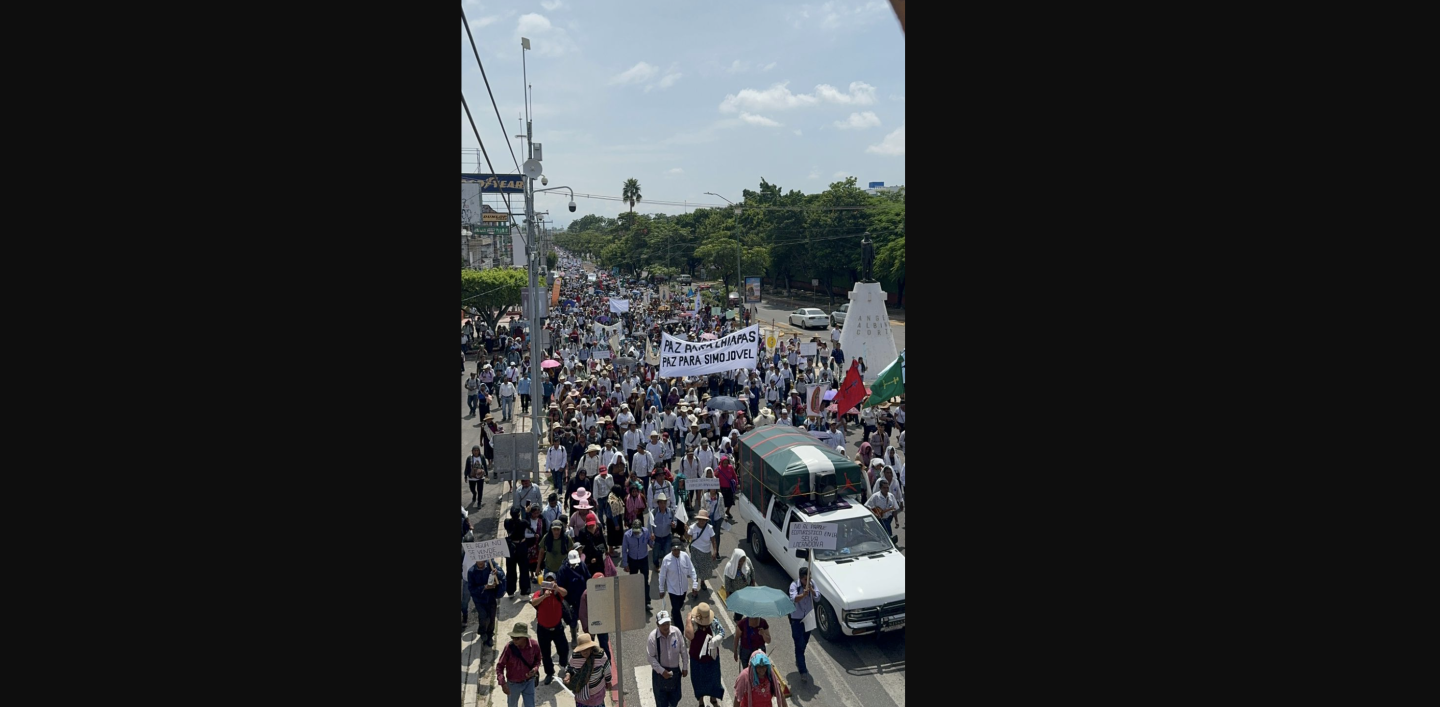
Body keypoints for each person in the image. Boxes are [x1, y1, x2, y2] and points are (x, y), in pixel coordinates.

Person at [530, 573, 570, 685]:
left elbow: (565, 593)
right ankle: (549, 672)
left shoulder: (557, 594)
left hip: (557, 628)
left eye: (551, 581)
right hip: (543, 630)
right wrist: (544, 596)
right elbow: (533, 602)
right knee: (545, 653)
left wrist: (556, 588)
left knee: (564, 648)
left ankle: (563, 664)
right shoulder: (539, 594)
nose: (549, 584)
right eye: (547, 582)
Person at [685, 602, 726, 707]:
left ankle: (713, 698)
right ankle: (701, 701)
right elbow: (689, 635)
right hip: (696, 659)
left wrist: (716, 639)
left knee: (714, 680)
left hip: (711, 658)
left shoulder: (714, 621)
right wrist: (688, 620)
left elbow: (722, 631)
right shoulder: (693, 622)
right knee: (698, 681)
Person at [647, 611, 690, 707]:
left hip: (675, 672)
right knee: (661, 702)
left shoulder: (676, 632)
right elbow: (650, 657)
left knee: (676, 697)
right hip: (660, 675)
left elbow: (683, 650)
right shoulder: (652, 638)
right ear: (657, 624)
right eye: (663, 624)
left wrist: (685, 666)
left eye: (667, 623)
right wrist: (662, 671)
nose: (666, 627)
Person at [497, 623, 542, 707]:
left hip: (529, 682)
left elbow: (538, 660)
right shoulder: (509, 648)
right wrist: (503, 683)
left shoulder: (534, 645)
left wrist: (535, 669)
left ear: (525, 637)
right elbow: (500, 666)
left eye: (517, 638)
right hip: (513, 684)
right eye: (512, 637)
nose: (514, 640)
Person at [563, 632, 614, 707]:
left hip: (597, 693)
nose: (585, 651)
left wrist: (608, 681)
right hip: (581, 694)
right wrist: (568, 675)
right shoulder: (575, 656)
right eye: (582, 649)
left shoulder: (600, 655)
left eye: (587, 648)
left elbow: (607, 669)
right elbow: (569, 668)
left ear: (591, 647)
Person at [787, 566, 820, 682]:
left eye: (809, 578)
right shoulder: (794, 585)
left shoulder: (812, 583)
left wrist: (811, 590)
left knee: (804, 643)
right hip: (797, 620)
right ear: (801, 579)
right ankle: (803, 670)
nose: (808, 581)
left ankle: (799, 658)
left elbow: (818, 597)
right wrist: (803, 595)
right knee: (798, 643)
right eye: (806, 579)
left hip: (808, 618)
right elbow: (793, 599)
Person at [468, 558, 506, 646]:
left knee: (492, 616)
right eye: (478, 560)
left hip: (491, 597)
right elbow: (471, 589)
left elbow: (502, 575)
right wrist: (484, 587)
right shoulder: (471, 572)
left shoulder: (491, 564)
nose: (480, 562)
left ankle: (490, 635)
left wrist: (497, 572)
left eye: (482, 560)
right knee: (483, 616)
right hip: (479, 599)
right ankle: (482, 632)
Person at [658, 540, 699, 620]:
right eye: (674, 550)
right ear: (671, 549)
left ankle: (673, 613)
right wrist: (661, 589)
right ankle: (680, 628)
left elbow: (692, 570)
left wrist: (695, 585)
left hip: (683, 589)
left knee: (679, 605)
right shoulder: (666, 560)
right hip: (672, 590)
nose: (676, 552)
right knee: (677, 610)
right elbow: (662, 575)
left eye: (678, 549)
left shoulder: (685, 556)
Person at [556, 550, 589, 642]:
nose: (575, 565)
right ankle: (574, 636)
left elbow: (588, 578)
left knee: (586, 617)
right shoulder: (562, 570)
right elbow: (560, 586)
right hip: (570, 599)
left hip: (582, 597)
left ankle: (589, 636)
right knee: (572, 619)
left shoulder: (582, 565)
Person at [576, 572, 611, 657]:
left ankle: (607, 663)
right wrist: (587, 629)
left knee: (604, 645)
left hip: (602, 624)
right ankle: (590, 663)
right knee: (589, 647)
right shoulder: (586, 594)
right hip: (590, 626)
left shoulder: (606, 592)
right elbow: (582, 614)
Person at [622, 518, 655, 604]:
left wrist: (652, 540)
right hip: (632, 560)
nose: (636, 533)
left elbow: (651, 545)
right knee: (633, 581)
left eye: (638, 531)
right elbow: (624, 550)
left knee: (645, 580)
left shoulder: (646, 532)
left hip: (643, 559)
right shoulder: (627, 535)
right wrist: (625, 564)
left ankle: (647, 601)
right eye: (635, 531)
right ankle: (634, 600)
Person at [687, 509, 721, 586]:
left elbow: (713, 541)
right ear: (698, 519)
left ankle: (702, 582)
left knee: (704, 570)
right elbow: (687, 537)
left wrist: (715, 551)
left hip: (706, 552)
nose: (702, 521)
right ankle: (694, 587)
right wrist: (686, 531)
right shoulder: (693, 527)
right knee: (695, 570)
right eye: (700, 519)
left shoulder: (709, 528)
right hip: (695, 551)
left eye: (704, 520)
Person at [722, 548, 756, 624]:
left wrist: (753, 583)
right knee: (739, 611)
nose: (741, 562)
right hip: (736, 594)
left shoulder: (747, 561)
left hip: (748, 590)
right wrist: (728, 598)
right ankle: (738, 621)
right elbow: (727, 584)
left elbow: (752, 571)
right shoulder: (729, 567)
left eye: (743, 560)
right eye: (740, 560)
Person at [504, 507, 532, 597]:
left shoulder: (507, 522)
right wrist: (527, 513)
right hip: (521, 546)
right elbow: (529, 524)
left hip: (511, 547)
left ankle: (510, 591)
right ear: (519, 514)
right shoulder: (523, 522)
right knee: (524, 569)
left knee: (510, 569)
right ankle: (524, 591)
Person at [651, 493, 677, 570]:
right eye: (661, 503)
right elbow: (650, 525)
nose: (663, 504)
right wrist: (651, 534)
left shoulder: (671, 512)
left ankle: (666, 566)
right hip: (657, 537)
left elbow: (675, 521)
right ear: (658, 503)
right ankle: (656, 565)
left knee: (667, 552)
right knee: (656, 553)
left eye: (664, 502)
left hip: (667, 536)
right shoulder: (654, 512)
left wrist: (674, 524)